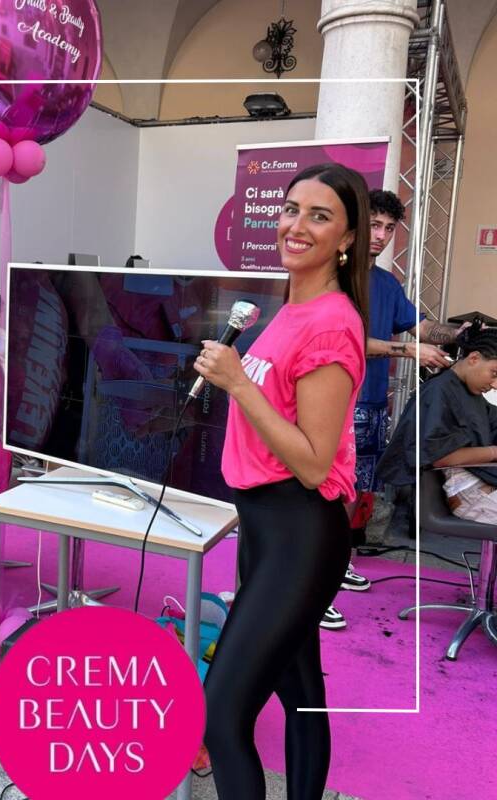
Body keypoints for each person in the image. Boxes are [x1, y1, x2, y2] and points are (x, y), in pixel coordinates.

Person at [197, 163, 368, 800]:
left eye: (320, 216)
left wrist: (238, 383)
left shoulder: (331, 322)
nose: (296, 225)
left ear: (346, 238)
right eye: (291, 209)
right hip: (266, 527)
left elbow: (315, 462)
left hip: (300, 528)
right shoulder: (293, 309)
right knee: (301, 694)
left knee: (221, 717)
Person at [326, 190, 466, 630]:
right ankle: (313, 579)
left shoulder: (386, 283)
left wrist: (464, 332)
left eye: (389, 228)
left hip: (372, 402)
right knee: (327, 494)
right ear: (355, 224)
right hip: (334, 401)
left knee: (355, 491)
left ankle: (336, 564)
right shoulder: (333, 276)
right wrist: (408, 350)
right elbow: (344, 340)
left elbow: (422, 328)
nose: (381, 235)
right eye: (375, 225)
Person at [378, 325, 497, 522]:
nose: (495, 385)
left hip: (478, 483)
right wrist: (493, 452)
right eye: (494, 373)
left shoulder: (469, 391)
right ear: (474, 358)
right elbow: (440, 456)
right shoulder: (438, 392)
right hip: (468, 493)